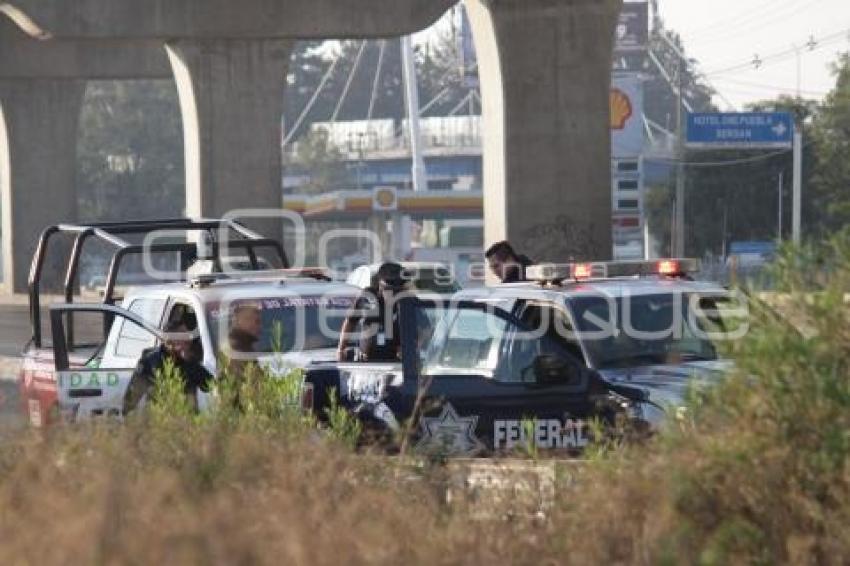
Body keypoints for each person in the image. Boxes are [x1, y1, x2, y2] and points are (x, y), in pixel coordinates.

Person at [123, 319, 213, 414]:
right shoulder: (149, 361)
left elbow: (209, 386)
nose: (188, 339)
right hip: (159, 422)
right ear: (169, 341)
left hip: (187, 424)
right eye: (182, 336)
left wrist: (190, 363)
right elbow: (131, 400)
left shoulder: (190, 361)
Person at [337, 262, 407, 362]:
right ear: (380, 284)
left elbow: (424, 330)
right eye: (389, 289)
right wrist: (341, 348)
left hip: (395, 360)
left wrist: (409, 349)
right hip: (366, 360)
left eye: (397, 291)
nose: (392, 294)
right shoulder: (367, 297)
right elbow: (350, 321)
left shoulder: (407, 300)